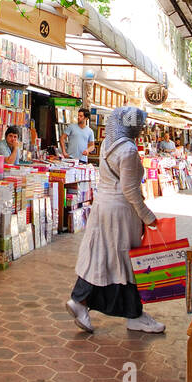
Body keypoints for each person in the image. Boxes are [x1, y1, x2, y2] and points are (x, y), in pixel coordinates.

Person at [66, 106, 165, 334]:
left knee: (102, 256)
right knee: (125, 260)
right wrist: (148, 217)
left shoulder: (108, 144)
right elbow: (130, 190)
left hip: (103, 206)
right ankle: (134, 314)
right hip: (120, 212)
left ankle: (81, 301)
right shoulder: (128, 150)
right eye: (139, 125)